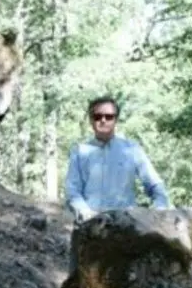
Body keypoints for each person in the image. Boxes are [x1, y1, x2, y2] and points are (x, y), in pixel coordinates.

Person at [64, 95, 172, 224]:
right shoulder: (79, 151)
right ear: (91, 120)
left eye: (109, 116)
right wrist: (86, 213)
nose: (103, 120)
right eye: (97, 116)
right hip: (90, 223)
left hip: (126, 224)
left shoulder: (132, 149)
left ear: (116, 119)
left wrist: (159, 210)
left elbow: (155, 184)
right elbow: (72, 190)